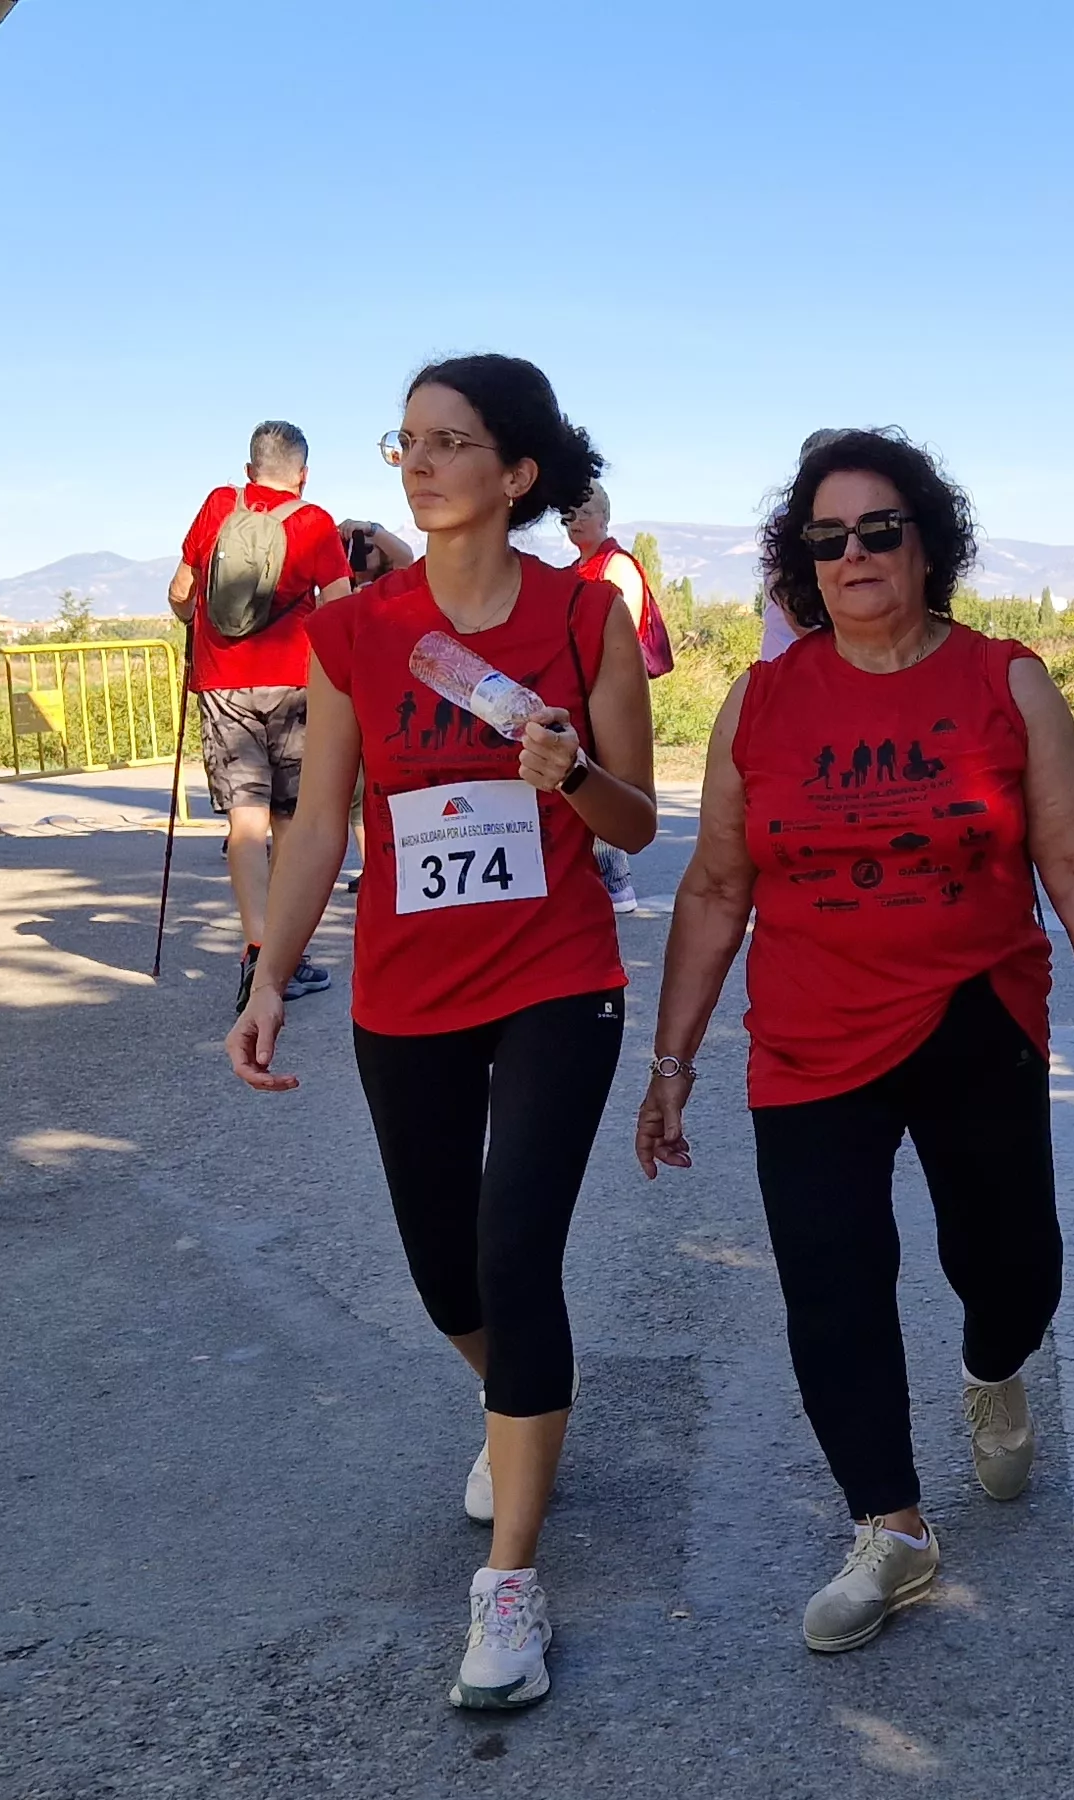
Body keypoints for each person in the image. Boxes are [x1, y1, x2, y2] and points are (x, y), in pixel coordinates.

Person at [634, 428, 1074, 1652]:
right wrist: (670, 1062)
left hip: (975, 1012)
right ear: (799, 563)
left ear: (926, 546)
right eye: (826, 538)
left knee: (1010, 1262)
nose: (853, 553)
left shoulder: (1004, 680)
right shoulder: (758, 703)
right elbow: (714, 890)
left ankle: (992, 1364)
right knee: (831, 1277)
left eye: (878, 530)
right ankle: (893, 1528)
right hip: (808, 1037)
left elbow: (1073, 858)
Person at [225, 355, 653, 1712]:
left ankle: (511, 1591)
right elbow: (318, 828)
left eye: (451, 441)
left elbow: (636, 820)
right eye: (404, 440)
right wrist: (264, 973)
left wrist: (573, 773)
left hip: (555, 976)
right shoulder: (356, 632)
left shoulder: (586, 620)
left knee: (516, 1253)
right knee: (445, 1278)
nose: (416, 462)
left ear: (517, 472)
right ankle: (518, 1406)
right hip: (406, 987)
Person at [167, 420, 356, 1004]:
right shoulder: (315, 521)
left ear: (250, 470)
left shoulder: (219, 506)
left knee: (245, 825)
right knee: (293, 824)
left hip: (224, 686)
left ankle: (256, 951)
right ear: (303, 473)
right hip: (298, 689)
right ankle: (286, 956)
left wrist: (204, 630)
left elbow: (180, 592)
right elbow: (340, 611)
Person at [563, 487, 673, 913]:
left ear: (605, 517)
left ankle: (615, 878)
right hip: (582, 686)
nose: (576, 520)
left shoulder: (617, 566)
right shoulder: (577, 569)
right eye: (570, 513)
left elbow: (618, 634)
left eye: (585, 511)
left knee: (610, 777)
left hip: (610, 688)